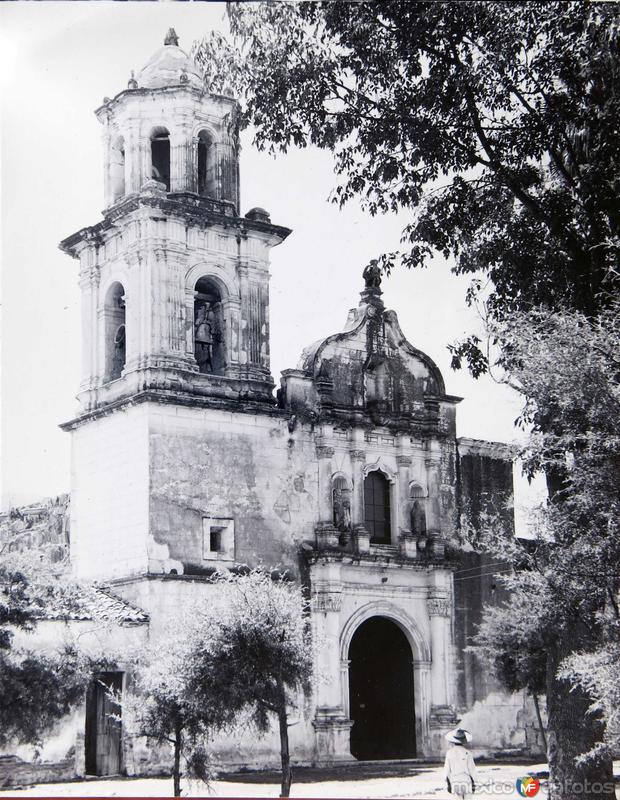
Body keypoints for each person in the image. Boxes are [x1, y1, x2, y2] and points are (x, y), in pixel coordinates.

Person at [444, 728, 477, 799]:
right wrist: (474, 783)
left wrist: (448, 784)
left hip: (455, 780)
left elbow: (447, 771)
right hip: (466, 780)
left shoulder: (449, 753)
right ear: (463, 740)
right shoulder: (468, 753)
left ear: (453, 740)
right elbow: (472, 770)